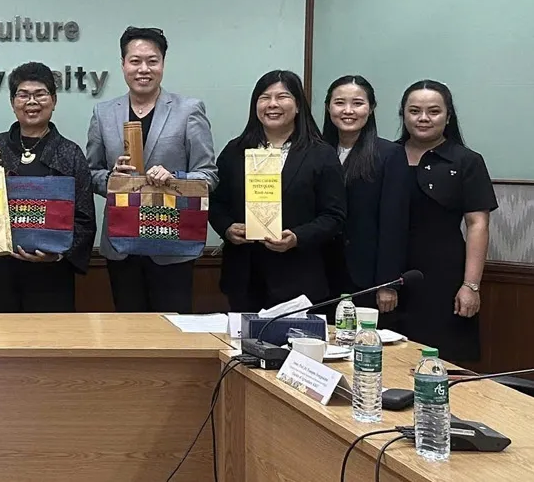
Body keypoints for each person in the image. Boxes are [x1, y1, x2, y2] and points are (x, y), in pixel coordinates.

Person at [86, 27, 217, 314]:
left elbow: (208, 175)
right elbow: (91, 173)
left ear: (162, 64)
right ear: (123, 64)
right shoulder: (103, 113)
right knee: (128, 330)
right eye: (135, 61)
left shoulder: (189, 110)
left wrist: (175, 179)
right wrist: (112, 179)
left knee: (172, 329)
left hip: (172, 242)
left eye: (152, 61)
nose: (143, 69)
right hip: (121, 242)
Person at [0, 62, 96, 312]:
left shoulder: (70, 153)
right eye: (23, 95)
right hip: (3, 271)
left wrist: (58, 254)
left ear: (54, 100)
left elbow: (85, 218)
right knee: (3, 334)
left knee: (51, 335)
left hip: (53, 274)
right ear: (13, 102)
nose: (31, 102)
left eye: (40, 94)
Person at [209, 70, 346, 311]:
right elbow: (215, 202)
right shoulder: (235, 151)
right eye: (264, 97)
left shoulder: (321, 154)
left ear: (298, 105)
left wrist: (297, 237)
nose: (272, 104)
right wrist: (228, 228)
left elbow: (334, 216)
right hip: (244, 277)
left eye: (282, 97)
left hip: (299, 278)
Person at [396, 80, 496, 363]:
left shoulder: (466, 161)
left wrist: (471, 286)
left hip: (445, 277)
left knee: (443, 362)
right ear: (403, 115)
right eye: (414, 111)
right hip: (391, 276)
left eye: (434, 111)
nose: (423, 118)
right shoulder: (385, 156)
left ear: (448, 116)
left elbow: (478, 225)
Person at [321, 75, 409, 312]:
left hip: (366, 277)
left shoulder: (389, 154)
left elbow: (394, 224)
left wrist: (388, 283)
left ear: (371, 109)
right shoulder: (314, 151)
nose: (348, 110)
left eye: (358, 103)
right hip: (317, 273)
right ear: (328, 107)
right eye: (339, 103)